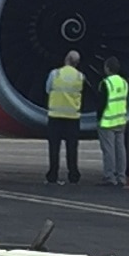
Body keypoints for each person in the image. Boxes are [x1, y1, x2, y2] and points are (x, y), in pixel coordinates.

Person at [45, 50, 85, 185]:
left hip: (55, 116)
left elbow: (47, 89)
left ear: (66, 59)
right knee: (72, 149)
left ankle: (53, 175)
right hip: (73, 118)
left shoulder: (55, 74)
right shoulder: (80, 77)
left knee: (54, 148)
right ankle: (73, 175)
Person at [96, 56, 129, 187]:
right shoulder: (124, 83)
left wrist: (98, 119)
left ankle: (110, 176)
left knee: (109, 150)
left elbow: (101, 104)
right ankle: (121, 177)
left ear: (107, 68)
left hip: (107, 121)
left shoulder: (105, 83)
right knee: (120, 149)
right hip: (121, 120)